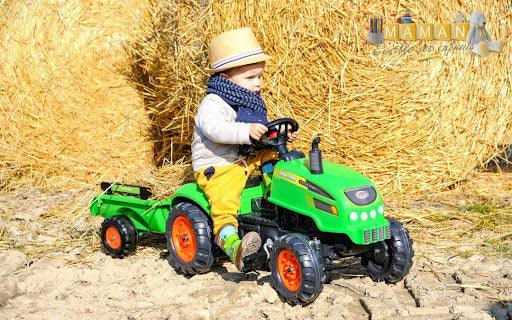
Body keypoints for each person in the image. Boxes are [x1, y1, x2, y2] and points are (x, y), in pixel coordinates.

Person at [191, 27, 297, 271]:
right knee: (224, 201)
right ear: (226, 77)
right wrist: (246, 131)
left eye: (260, 77)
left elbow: (260, 131)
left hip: (246, 159)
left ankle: (279, 193)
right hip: (220, 164)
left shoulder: (250, 101)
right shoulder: (213, 103)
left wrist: (278, 135)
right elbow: (214, 129)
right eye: (251, 78)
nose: (258, 83)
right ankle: (231, 244)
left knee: (276, 157)